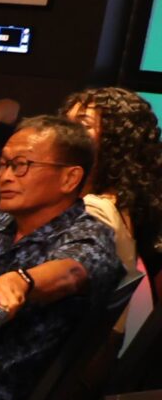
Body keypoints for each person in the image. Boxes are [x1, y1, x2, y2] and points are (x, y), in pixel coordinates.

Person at [0, 114, 126, 400]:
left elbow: (74, 270)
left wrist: (22, 281)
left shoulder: (89, 235)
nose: (6, 176)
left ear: (69, 178)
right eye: (3, 165)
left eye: (21, 165)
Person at [59, 85, 161, 283]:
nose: (64, 134)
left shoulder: (94, 209)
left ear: (116, 139)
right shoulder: (126, 201)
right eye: (64, 124)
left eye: (83, 125)